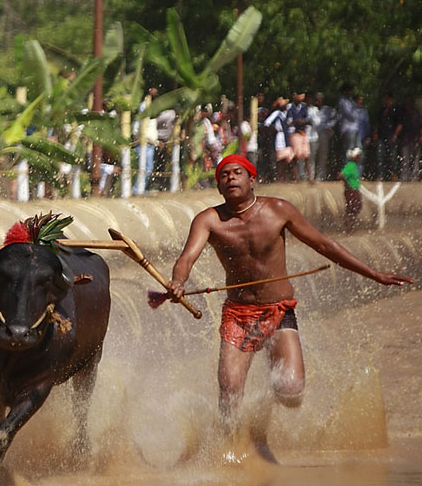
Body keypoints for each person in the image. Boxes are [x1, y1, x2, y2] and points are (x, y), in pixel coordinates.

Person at [166, 153, 413, 428]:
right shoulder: (209, 220)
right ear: (219, 187)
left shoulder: (279, 210)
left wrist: (373, 273)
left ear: (252, 180)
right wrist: (179, 282)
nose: (230, 178)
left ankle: (259, 423)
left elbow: (324, 245)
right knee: (230, 394)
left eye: (237, 173)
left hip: (278, 310)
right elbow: (186, 258)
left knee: (291, 393)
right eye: (224, 175)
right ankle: (230, 449)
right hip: (238, 315)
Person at [373, 92, 401, 181]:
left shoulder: (395, 110)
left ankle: (394, 174)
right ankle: (380, 175)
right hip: (381, 136)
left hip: (391, 136)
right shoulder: (382, 110)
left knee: (393, 157)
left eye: (385, 98)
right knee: (380, 156)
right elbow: (378, 122)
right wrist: (375, 133)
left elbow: (399, 124)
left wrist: (395, 135)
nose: (384, 100)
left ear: (390, 99)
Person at [264, 97, 293, 182]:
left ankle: (285, 176)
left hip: (286, 136)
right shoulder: (277, 113)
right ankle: (279, 177)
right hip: (279, 138)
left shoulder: (286, 114)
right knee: (280, 159)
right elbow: (267, 123)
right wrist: (275, 129)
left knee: (288, 158)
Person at [286, 91, 311, 181]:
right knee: (295, 156)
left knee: (306, 155)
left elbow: (308, 120)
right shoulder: (290, 108)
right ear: (294, 95)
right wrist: (297, 122)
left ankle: (310, 178)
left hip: (303, 133)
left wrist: (300, 122)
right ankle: (296, 178)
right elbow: (288, 122)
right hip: (295, 134)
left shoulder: (304, 107)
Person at [312, 92, 336, 181]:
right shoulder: (312, 109)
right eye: (316, 99)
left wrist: (328, 126)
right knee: (312, 155)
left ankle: (321, 176)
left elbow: (335, 118)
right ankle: (312, 175)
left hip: (323, 134)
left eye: (319, 99)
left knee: (323, 155)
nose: (318, 101)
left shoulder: (327, 110)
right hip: (313, 134)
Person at [398, 96, 422, 181]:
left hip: (415, 139)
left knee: (415, 159)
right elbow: (400, 126)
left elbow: (420, 126)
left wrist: (420, 136)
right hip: (406, 139)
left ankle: (414, 176)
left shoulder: (416, 114)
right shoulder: (404, 114)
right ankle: (405, 177)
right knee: (405, 159)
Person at [340, 148, 362, 233]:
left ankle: (350, 227)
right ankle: (349, 228)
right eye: (358, 156)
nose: (359, 157)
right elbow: (341, 175)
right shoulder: (350, 166)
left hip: (353, 190)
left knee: (354, 209)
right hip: (351, 191)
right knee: (351, 209)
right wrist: (348, 185)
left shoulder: (353, 166)